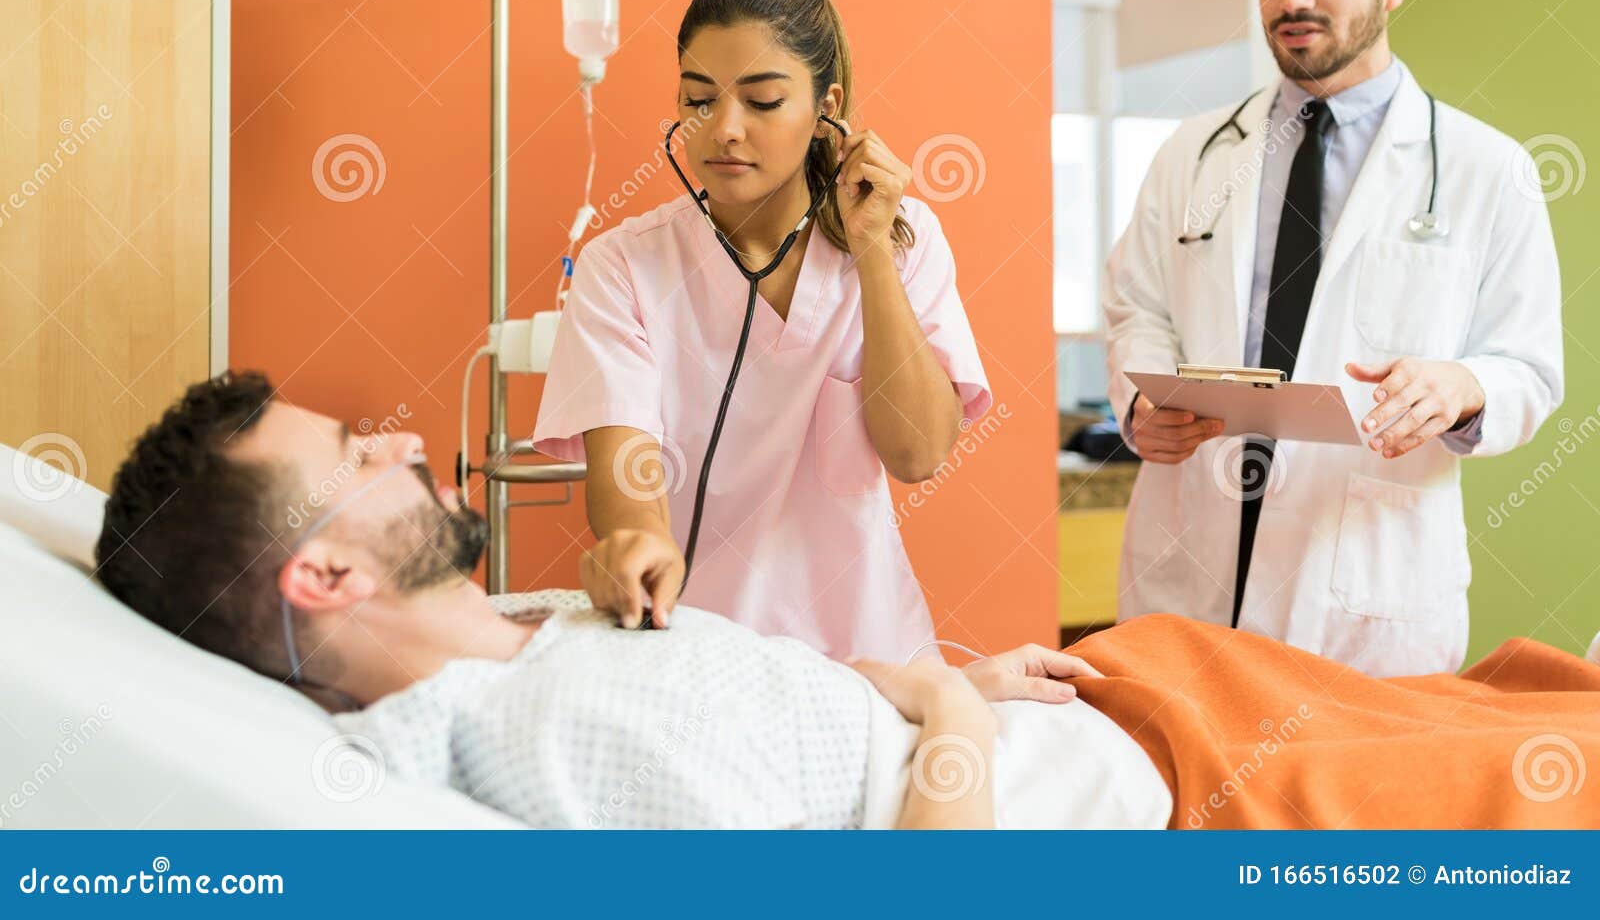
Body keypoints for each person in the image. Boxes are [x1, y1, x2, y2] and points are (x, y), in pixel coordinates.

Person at [95, 373, 1600, 829]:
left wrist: (942, 676)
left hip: (1111, 695)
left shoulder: (550, 630)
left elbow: (805, 732)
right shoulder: (555, 736)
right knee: (1537, 775)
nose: (405, 434)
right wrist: (945, 702)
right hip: (1176, 793)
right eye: (359, 457)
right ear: (328, 576)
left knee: (1510, 696)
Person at [1103, 0, 1562, 676]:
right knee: (1173, 791)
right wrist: (1142, 399)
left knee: (1345, 801)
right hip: (1194, 558)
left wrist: (1461, 386)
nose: (1293, 1)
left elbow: (1527, 368)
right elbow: (1137, 306)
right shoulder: (1194, 152)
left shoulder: (1486, 169)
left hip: (1363, 583)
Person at [530, 0, 991, 661]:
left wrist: (868, 252)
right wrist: (637, 540)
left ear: (825, 107)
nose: (725, 130)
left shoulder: (903, 235)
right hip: (698, 654)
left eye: (764, 101)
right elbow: (625, 475)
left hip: (871, 658)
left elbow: (918, 452)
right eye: (698, 100)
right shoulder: (622, 266)